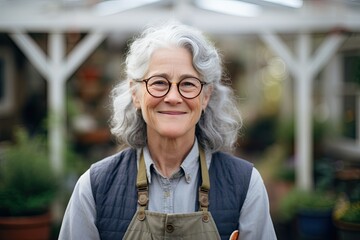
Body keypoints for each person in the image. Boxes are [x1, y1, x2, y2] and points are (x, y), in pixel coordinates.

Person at [59, 21, 277, 240]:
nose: (173, 97)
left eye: (188, 84)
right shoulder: (94, 186)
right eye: (159, 82)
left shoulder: (246, 185)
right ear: (136, 93)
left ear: (206, 96)